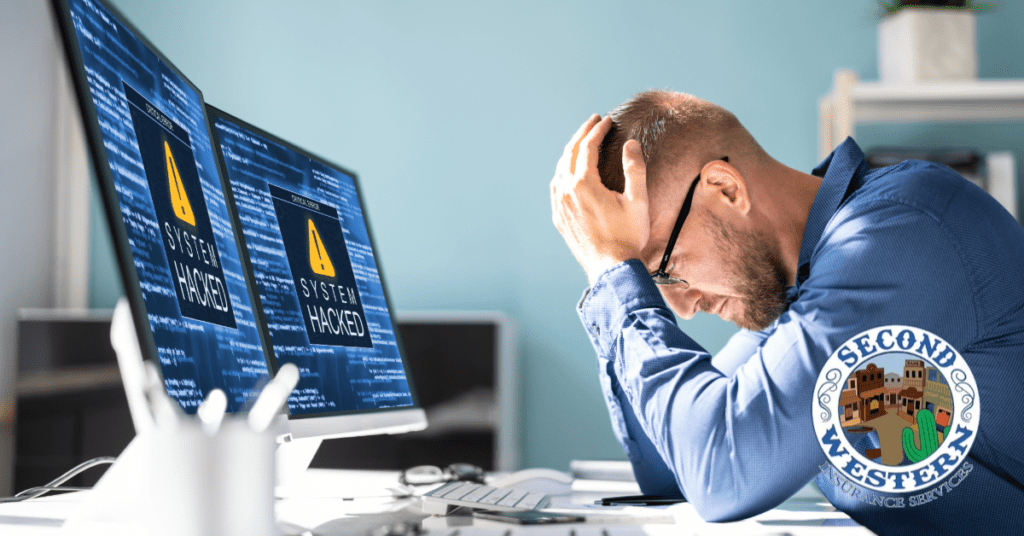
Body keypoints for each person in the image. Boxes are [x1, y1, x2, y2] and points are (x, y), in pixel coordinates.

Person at [549, 90, 1024, 535]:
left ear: (725, 189)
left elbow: (723, 471)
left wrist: (615, 275)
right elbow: (671, 470)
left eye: (666, 269)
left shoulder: (899, 232)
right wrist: (613, 277)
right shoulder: (797, 286)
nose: (681, 308)